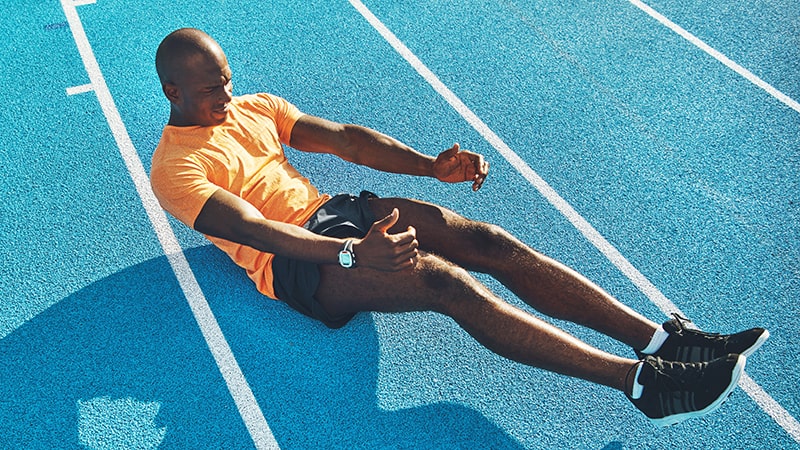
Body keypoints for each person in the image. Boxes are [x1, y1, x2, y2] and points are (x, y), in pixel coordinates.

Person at [150, 28, 769, 427]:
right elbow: (257, 230)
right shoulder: (174, 168)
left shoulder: (252, 107)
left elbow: (345, 142)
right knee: (446, 285)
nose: (226, 96)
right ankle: (643, 386)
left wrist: (428, 166)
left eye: (227, 80)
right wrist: (348, 256)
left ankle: (661, 342)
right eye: (210, 90)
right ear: (173, 90)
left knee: (483, 240)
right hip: (298, 265)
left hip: (339, 213)